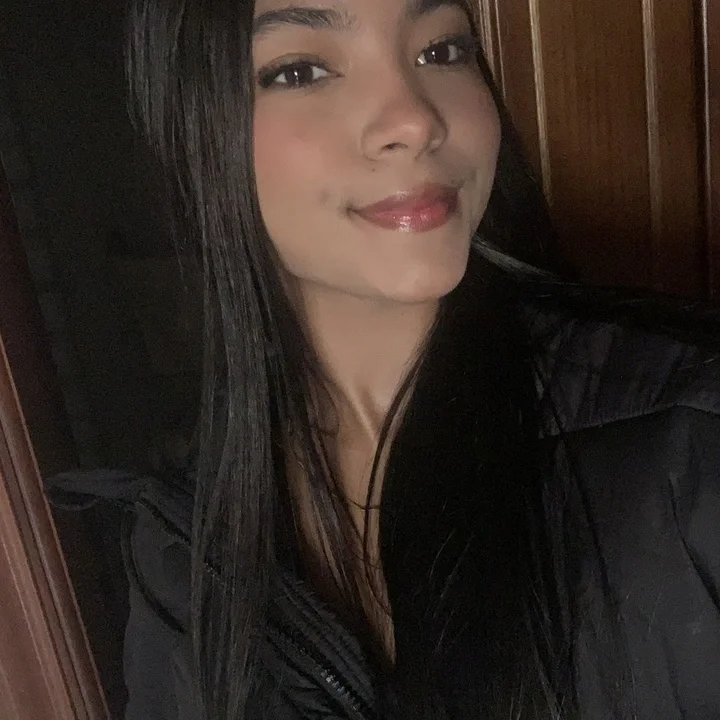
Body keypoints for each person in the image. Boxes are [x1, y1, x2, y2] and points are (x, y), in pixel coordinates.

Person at [46, 0, 720, 718]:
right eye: (301, 71)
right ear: (191, 130)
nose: (415, 120)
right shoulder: (182, 551)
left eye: (442, 51)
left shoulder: (691, 441)